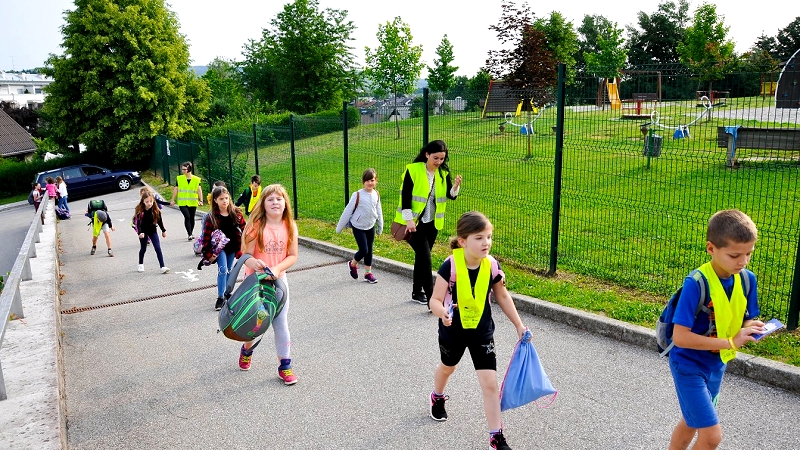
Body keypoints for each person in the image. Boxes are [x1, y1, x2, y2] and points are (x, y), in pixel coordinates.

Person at [428, 211, 528, 450]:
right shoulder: (449, 265)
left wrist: (519, 325)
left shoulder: (491, 265)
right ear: (463, 241)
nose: (486, 243)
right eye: (479, 238)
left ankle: (496, 436)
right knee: (448, 367)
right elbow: (434, 300)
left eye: (489, 237)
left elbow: (502, 296)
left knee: (490, 384)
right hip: (453, 330)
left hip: (482, 331)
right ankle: (437, 396)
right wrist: (442, 313)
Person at [667, 209, 765, 450]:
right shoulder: (695, 284)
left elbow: (744, 317)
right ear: (711, 248)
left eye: (748, 254)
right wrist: (731, 342)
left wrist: (750, 328)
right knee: (712, 436)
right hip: (688, 365)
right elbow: (680, 338)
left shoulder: (746, 279)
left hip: (716, 365)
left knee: (691, 422)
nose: (742, 262)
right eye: (734, 255)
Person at [238, 184, 299, 385]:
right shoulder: (255, 225)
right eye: (270, 199)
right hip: (257, 285)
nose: (275, 202)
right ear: (263, 204)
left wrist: (278, 268)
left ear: (285, 203)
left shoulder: (290, 225)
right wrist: (254, 263)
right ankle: (247, 349)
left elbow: (292, 256)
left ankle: (285, 366)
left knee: (280, 322)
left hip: (279, 282)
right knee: (257, 324)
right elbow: (245, 255)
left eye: (279, 199)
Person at [393, 140, 462, 306]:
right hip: (414, 224)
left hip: (432, 224)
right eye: (436, 158)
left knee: (421, 258)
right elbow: (406, 197)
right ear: (427, 155)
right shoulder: (413, 170)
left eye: (442, 159)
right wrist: (409, 220)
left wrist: (456, 186)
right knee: (426, 259)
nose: (439, 162)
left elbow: (450, 196)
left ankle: (417, 292)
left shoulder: (442, 174)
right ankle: (433, 300)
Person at [200, 186, 245, 311]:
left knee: (229, 270)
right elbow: (206, 237)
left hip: (232, 247)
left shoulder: (236, 213)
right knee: (223, 269)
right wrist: (209, 253)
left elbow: (245, 229)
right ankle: (220, 298)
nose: (224, 201)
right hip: (219, 250)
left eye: (226, 198)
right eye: (221, 199)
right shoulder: (212, 217)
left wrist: (243, 247)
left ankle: (227, 293)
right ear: (215, 200)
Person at [335, 168, 384, 283]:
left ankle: (368, 273)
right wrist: (339, 228)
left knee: (369, 250)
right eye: (367, 180)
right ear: (363, 181)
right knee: (364, 250)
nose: (370, 183)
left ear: (376, 181)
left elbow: (379, 210)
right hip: (358, 226)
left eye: (372, 180)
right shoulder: (357, 195)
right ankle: (353, 264)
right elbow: (347, 211)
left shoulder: (376, 194)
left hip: (370, 225)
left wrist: (380, 226)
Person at [132, 190, 169, 274]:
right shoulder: (140, 211)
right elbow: (138, 223)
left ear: (153, 200)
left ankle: (162, 266)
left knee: (157, 248)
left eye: (151, 201)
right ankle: (140, 264)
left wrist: (163, 230)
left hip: (152, 231)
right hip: (143, 232)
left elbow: (159, 221)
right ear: (143, 201)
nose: (149, 203)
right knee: (143, 248)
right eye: (147, 202)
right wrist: (140, 233)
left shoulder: (156, 210)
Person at [170, 161, 203, 241]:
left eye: (184, 169)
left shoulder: (196, 179)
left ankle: (191, 232)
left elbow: (199, 190)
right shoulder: (179, 178)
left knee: (192, 218)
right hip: (182, 202)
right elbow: (176, 189)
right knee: (187, 217)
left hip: (192, 202)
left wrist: (201, 200)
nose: (183, 171)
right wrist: (172, 199)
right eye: (182, 169)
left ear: (189, 169)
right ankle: (189, 234)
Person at [195, 180, 227, 256]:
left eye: (215, 188)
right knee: (205, 230)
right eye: (213, 188)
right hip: (211, 215)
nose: (213, 190)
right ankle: (201, 245)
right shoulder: (212, 196)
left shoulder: (224, 198)